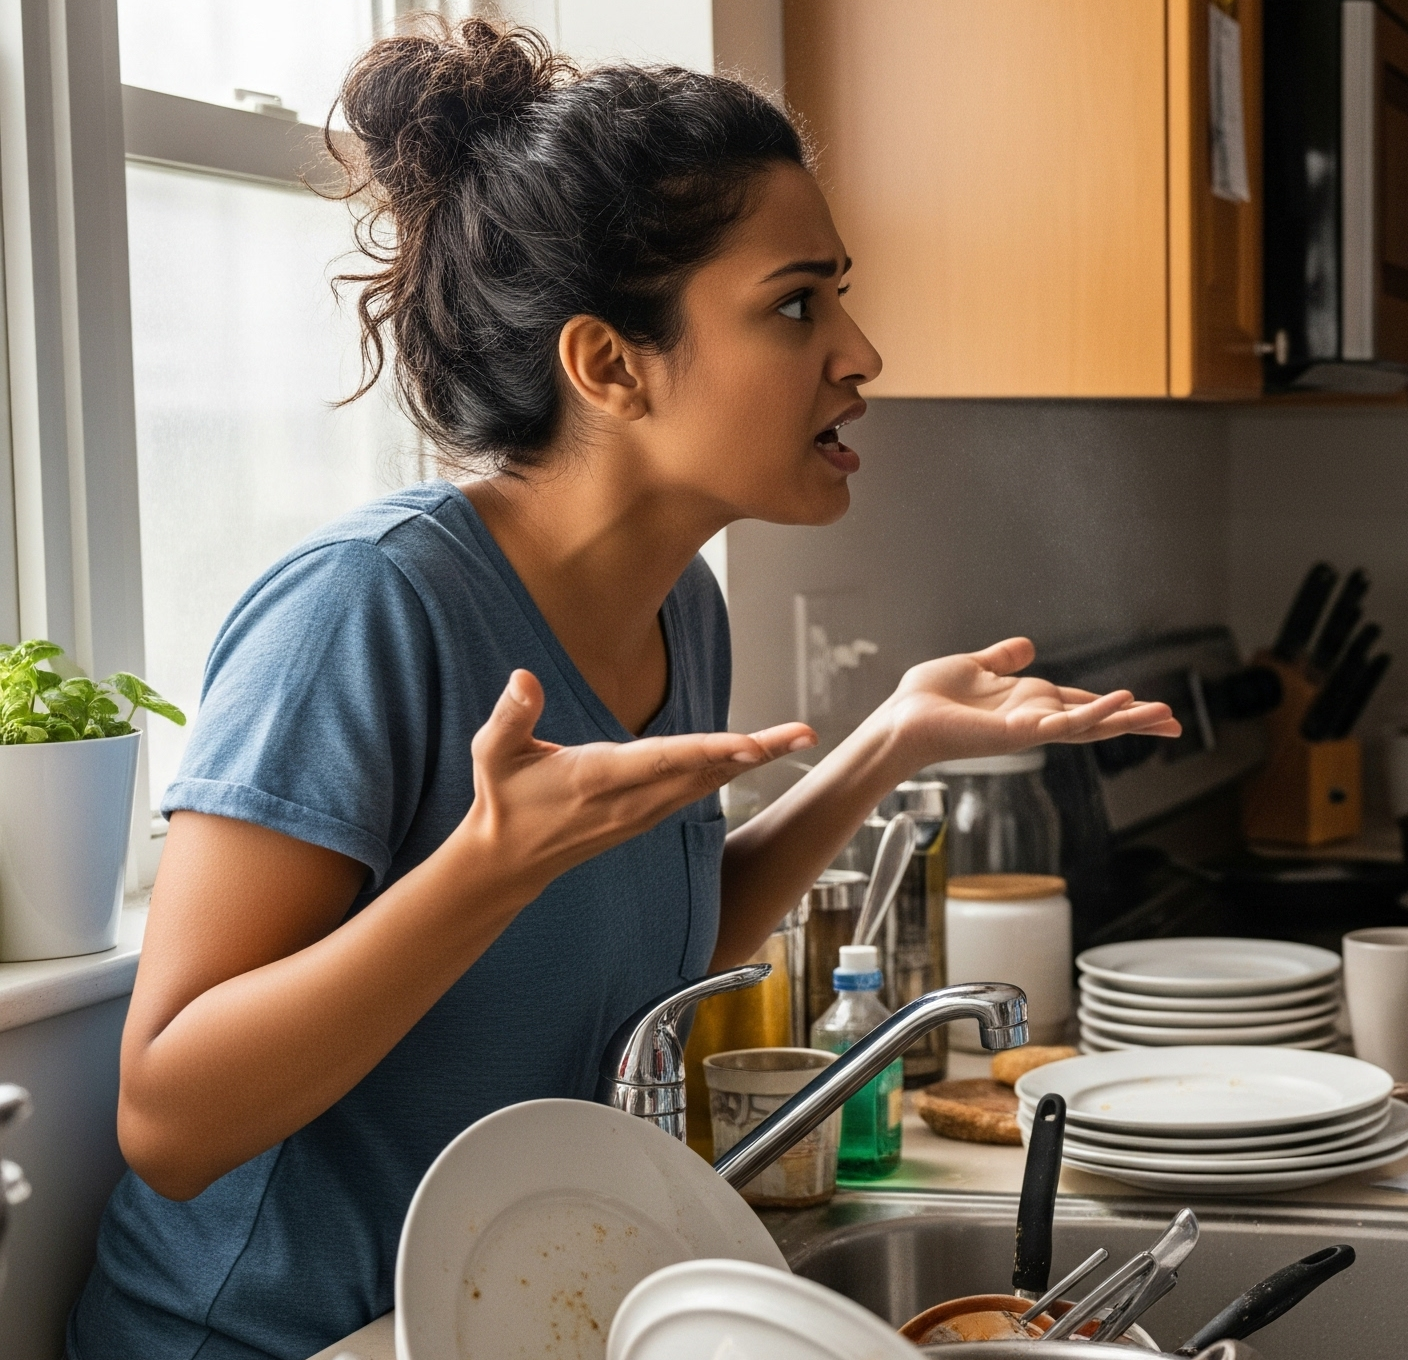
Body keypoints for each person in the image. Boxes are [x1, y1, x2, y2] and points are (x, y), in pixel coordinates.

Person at [67, 22, 1177, 1359]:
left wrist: (888, 745)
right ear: (606, 365)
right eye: (796, 302)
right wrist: (486, 865)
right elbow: (171, 1121)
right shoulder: (364, 608)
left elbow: (652, 943)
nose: (862, 350)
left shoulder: (679, 608)